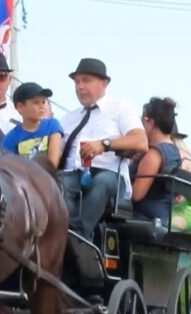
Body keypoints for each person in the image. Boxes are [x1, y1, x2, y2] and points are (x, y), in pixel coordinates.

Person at [58, 58, 148, 238]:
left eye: (86, 80)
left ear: (104, 83)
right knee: (57, 182)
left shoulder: (120, 108)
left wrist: (104, 144)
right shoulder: (68, 118)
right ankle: (61, 231)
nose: (80, 87)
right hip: (74, 173)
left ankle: (79, 236)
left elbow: (141, 142)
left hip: (110, 174)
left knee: (101, 183)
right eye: (77, 82)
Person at [130, 97, 187, 228]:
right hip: (164, 216)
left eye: (143, 122)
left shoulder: (154, 155)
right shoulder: (174, 151)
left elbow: (136, 195)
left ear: (151, 123)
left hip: (143, 216)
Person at [1, 82, 64, 169]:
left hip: (49, 178)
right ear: (20, 107)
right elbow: (9, 168)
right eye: (36, 102)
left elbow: (53, 162)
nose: (42, 107)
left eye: (43, 102)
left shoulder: (52, 125)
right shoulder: (11, 138)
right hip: (23, 180)